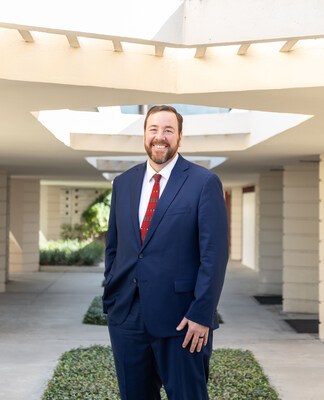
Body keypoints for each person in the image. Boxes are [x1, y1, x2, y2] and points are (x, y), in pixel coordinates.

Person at [102, 105, 229, 400]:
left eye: (168, 130)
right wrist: (112, 297)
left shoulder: (203, 183)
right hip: (127, 318)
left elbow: (214, 256)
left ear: (180, 138)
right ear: (144, 135)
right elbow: (114, 247)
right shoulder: (123, 183)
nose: (160, 137)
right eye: (153, 130)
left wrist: (202, 314)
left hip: (183, 321)